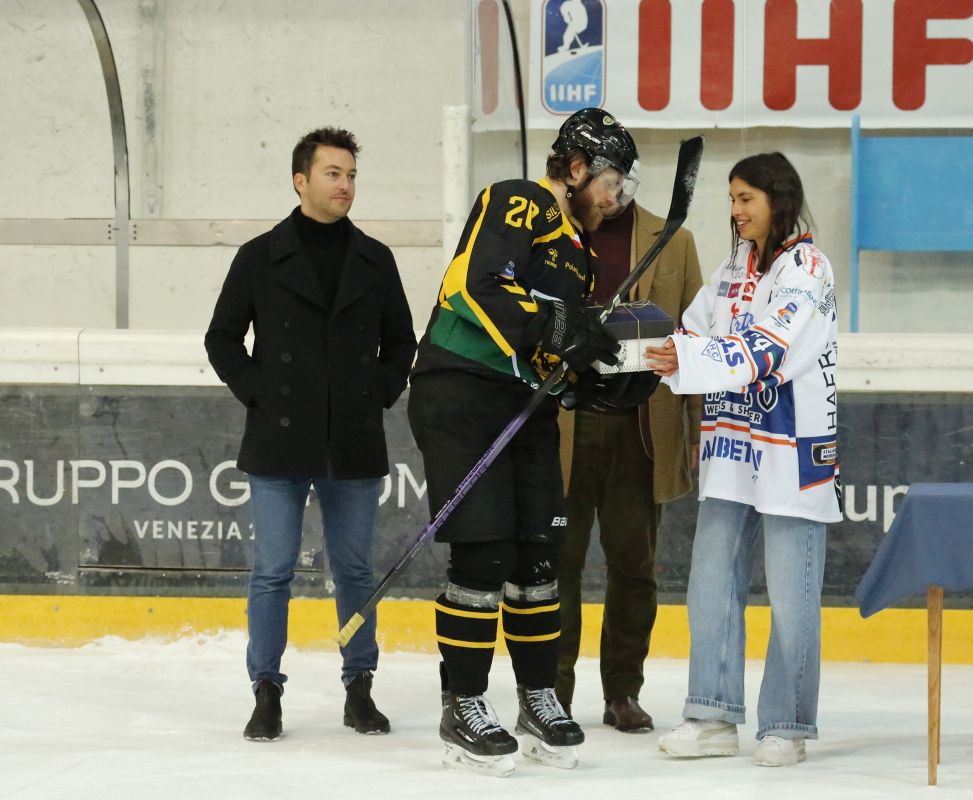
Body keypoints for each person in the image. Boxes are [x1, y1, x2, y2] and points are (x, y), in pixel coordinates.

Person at [406, 107, 657, 776]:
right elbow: (479, 287)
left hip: (525, 409)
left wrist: (598, 381)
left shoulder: (577, 253)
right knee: (484, 558)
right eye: (610, 180)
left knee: (539, 561)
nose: (615, 197)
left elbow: (551, 357)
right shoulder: (518, 201)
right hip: (462, 392)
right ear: (574, 167)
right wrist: (560, 325)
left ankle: (536, 697)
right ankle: (463, 704)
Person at [205, 127, 417, 742]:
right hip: (279, 443)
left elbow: (401, 341)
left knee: (354, 570)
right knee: (271, 570)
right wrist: (262, 394)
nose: (345, 185)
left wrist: (376, 392)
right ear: (301, 181)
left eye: (351, 175)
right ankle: (266, 691)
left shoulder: (376, 260)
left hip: (352, 440)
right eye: (333, 174)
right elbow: (222, 339)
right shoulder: (259, 256)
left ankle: (359, 688)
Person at [646, 152, 841, 768]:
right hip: (732, 446)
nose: (735, 212)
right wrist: (646, 348)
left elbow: (768, 349)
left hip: (791, 449)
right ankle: (711, 715)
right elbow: (696, 329)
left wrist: (692, 358)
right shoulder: (734, 265)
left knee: (791, 593)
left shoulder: (808, 269)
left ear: (778, 200)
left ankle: (786, 723)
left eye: (745, 199)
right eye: (731, 200)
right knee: (710, 583)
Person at [555, 193, 702, 733]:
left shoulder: (675, 241)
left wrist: (694, 425)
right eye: (599, 176)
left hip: (640, 425)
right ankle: (552, 691)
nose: (609, 191)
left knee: (635, 569)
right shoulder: (555, 236)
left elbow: (694, 338)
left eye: (619, 175)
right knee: (557, 565)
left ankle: (622, 691)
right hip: (565, 423)